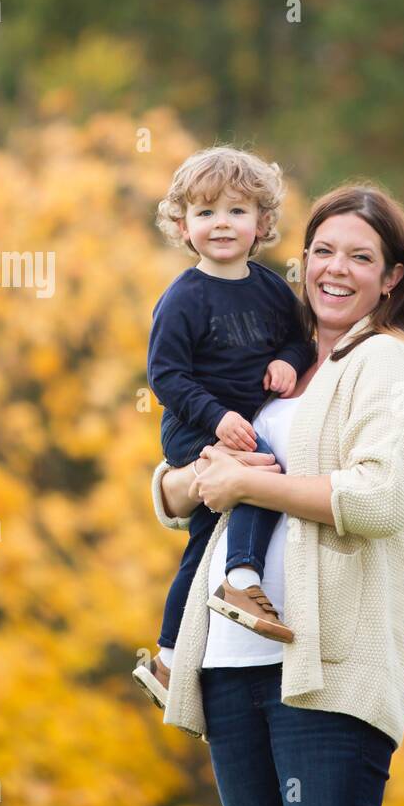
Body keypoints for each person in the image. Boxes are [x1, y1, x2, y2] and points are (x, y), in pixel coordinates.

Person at [150, 184, 404, 806]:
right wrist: (189, 484)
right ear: (302, 260)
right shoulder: (280, 364)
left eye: (360, 257)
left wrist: (248, 484)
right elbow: (202, 479)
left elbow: (378, 499)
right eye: (322, 252)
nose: (336, 270)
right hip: (229, 665)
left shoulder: (389, 362)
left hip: (325, 673)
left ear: (391, 277)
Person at [134, 147, 315, 710]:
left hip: (246, 423)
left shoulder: (268, 289)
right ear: (183, 225)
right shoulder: (183, 298)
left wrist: (287, 360)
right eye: (206, 213)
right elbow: (165, 376)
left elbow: (298, 339)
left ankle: (166, 659)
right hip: (195, 427)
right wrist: (217, 419)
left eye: (237, 212)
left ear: (261, 224)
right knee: (261, 470)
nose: (221, 225)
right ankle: (242, 578)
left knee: (197, 547)